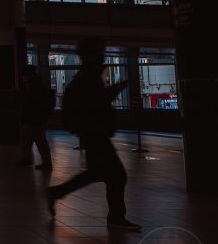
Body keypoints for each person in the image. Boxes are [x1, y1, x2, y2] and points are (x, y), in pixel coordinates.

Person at [47, 38, 140, 231]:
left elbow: (91, 103)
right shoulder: (89, 78)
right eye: (99, 52)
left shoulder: (86, 77)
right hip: (96, 135)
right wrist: (112, 91)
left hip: (91, 134)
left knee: (96, 173)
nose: (102, 56)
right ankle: (116, 217)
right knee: (117, 176)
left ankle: (56, 193)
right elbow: (95, 104)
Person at [15, 65, 54, 170]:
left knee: (33, 139)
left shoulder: (32, 85)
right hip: (37, 117)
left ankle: (35, 161)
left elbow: (30, 102)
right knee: (36, 140)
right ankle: (38, 160)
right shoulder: (38, 84)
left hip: (33, 118)